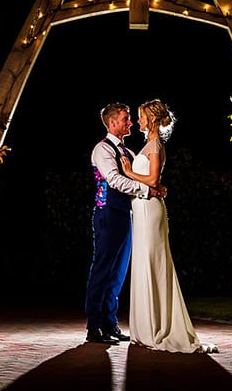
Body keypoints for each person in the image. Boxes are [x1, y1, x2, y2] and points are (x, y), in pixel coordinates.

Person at [118, 99, 217, 353]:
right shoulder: (149, 145)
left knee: (153, 262)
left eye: (140, 117)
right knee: (143, 263)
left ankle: (159, 327)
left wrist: (129, 172)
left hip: (150, 212)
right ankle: (146, 327)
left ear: (150, 119)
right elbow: (153, 182)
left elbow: (152, 179)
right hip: (141, 211)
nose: (138, 121)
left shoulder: (154, 145)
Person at [85, 102, 167, 344]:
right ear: (112, 123)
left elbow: (141, 175)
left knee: (118, 272)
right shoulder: (103, 150)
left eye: (130, 118)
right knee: (103, 269)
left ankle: (110, 322)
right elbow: (114, 181)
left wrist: (157, 187)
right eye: (125, 118)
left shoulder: (128, 152)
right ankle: (95, 325)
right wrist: (147, 190)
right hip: (107, 214)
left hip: (126, 216)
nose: (129, 122)